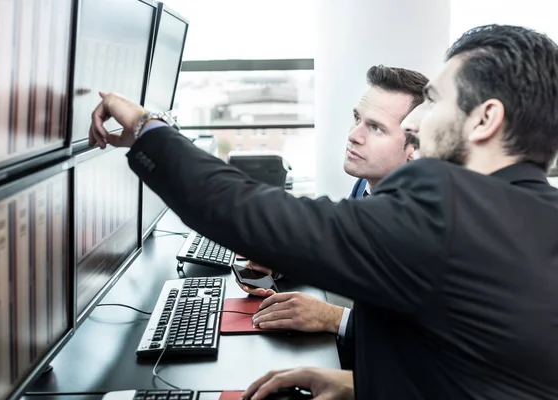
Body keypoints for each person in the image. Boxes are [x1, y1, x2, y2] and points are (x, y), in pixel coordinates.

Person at [89, 24, 558, 400]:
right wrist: (358, 386)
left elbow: (243, 212)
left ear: (484, 119)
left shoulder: (449, 208)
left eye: (432, 101)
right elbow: (480, 371)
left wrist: (147, 127)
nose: (413, 122)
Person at [237, 65, 428, 371]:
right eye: (357, 119)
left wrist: (332, 318)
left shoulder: (421, 221)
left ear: (414, 148)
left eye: (376, 128)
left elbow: (423, 343)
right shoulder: (366, 186)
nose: (353, 136)